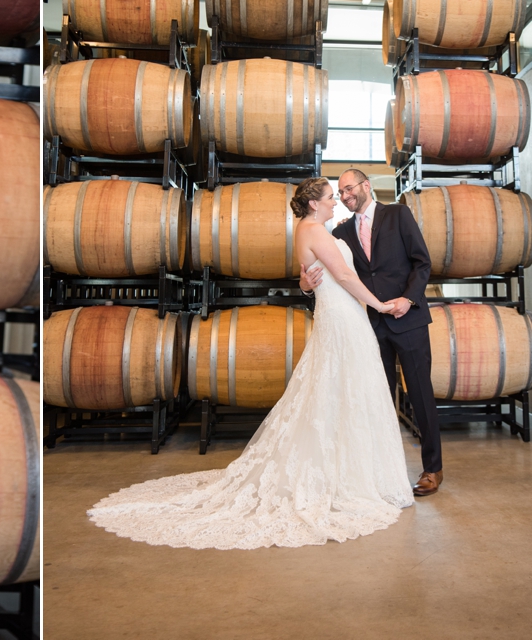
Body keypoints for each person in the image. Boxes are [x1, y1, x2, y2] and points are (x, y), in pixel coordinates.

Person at [88, 177, 414, 550]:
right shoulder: (315, 231)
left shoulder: (308, 230)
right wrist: (381, 304)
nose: (335, 203)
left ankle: (349, 470)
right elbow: (342, 275)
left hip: (336, 313)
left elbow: (307, 278)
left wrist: (307, 285)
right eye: (329, 198)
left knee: (338, 389)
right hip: (342, 316)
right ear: (313, 204)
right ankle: (349, 478)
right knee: (345, 387)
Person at [299, 168, 442, 497]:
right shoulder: (340, 231)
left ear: (366, 186)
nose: (346, 196)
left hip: (409, 321)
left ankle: (433, 469)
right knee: (376, 399)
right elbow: (324, 269)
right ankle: (383, 474)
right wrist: (305, 285)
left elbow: (422, 263)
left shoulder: (398, 214)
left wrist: (408, 299)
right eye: (340, 192)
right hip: (371, 327)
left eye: (350, 189)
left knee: (420, 396)